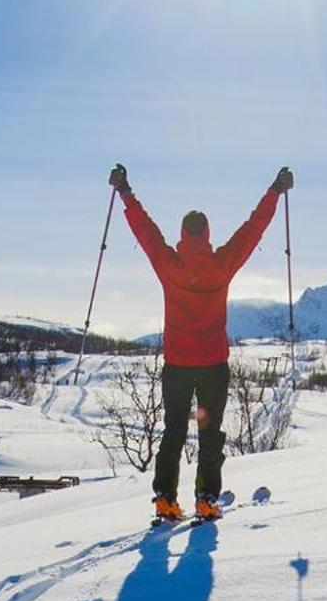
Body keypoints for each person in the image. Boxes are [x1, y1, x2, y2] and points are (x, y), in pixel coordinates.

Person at [111, 162, 294, 523]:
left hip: (177, 364)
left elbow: (145, 232)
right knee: (210, 434)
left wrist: (125, 192)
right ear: (207, 234)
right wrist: (275, 190)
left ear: (183, 234)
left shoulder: (169, 264)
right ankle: (207, 500)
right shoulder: (222, 263)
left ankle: (165, 499)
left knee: (173, 431)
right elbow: (252, 229)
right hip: (213, 365)